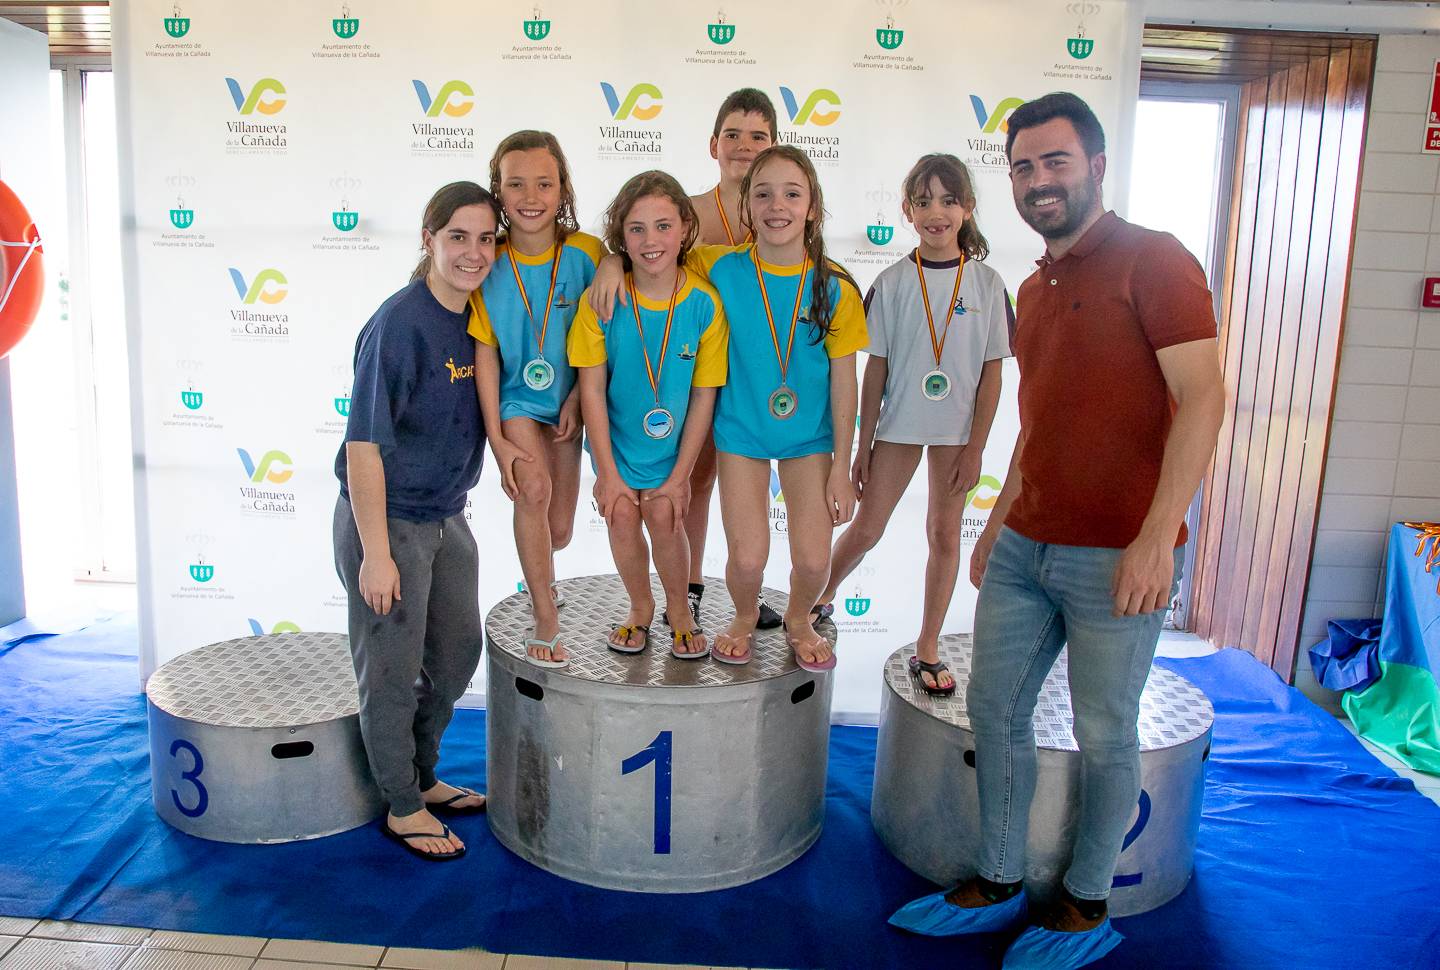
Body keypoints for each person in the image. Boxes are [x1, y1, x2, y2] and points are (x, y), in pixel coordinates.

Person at [888, 92, 1226, 969]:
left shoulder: (1157, 262)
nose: (1039, 182)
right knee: (995, 712)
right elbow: (1038, 426)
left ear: (1098, 165)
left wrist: (1159, 537)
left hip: (1120, 556)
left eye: (1057, 162)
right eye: (1025, 167)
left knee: (1107, 731)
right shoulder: (1031, 289)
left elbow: (1204, 398)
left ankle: (1083, 904)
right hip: (1027, 547)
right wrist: (998, 522)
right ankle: (999, 880)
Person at [591, 145, 866, 671]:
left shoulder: (836, 287)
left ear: (813, 207)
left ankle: (801, 619)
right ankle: (742, 615)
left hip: (810, 439)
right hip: (740, 433)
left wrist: (841, 470)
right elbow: (654, 251)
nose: (776, 205)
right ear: (746, 208)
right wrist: (610, 260)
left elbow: (844, 383)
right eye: (762, 194)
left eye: (792, 193)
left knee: (812, 558)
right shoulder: (716, 266)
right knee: (746, 557)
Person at [332, 181, 500, 862]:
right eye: (457, 236)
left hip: (446, 517)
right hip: (388, 521)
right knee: (392, 671)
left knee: (458, 653)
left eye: (486, 238)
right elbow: (363, 446)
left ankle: (422, 776)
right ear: (428, 239)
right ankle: (401, 804)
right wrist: (376, 555)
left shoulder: (482, 316)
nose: (473, 251)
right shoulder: (399, 324)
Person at [815, 153, 1008, 696]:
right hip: (898, 424)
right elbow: (874, 368)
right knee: (868, 527)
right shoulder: (894, 281)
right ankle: (820, 596)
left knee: (944, 535)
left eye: (948, 200)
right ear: (907, 210)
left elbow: (992, 376)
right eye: (923, 202)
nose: (936, 213)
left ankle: (928, 646)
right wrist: (863, 445)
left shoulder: (989, 285)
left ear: (968, 208)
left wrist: (976, 449)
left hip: (957, 435)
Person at [568, 171, 728, 659]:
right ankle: (640, 607)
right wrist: (608, 472)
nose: (650, 240)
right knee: (619, 513)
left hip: (672, 450)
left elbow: (704, 395)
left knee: (663, 514)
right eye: (636, 229)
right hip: (615, 442)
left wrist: (682, 476)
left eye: (662, 226)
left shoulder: (705, 304)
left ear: (684, 227)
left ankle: (679, 608)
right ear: (621, 238)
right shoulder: (601, 301)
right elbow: (591, 389)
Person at [469, 131, 604, 669]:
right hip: (517, 403)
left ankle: (541, 579)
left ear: (562, 188)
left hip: (570, 404)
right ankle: (545, 617)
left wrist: (575, 397)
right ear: (498, 192)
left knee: (561, 530)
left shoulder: (588, 254)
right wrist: (498, 442)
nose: (531, 195)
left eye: (544, 183)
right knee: (534, 489)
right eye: (516, 183)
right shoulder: (489, 260)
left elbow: (606, 327)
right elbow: (484, 356)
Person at [683, 89, 784, 632]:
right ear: (713, 144)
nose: (743, 146)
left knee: (751, 491)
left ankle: (749, 594)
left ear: (774, 146)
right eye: (733, 135)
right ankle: (691, 587)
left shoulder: (784, 215)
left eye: (758, 136)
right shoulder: (690, 215)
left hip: (760, 376)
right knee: (697, 484)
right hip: (696, 373)